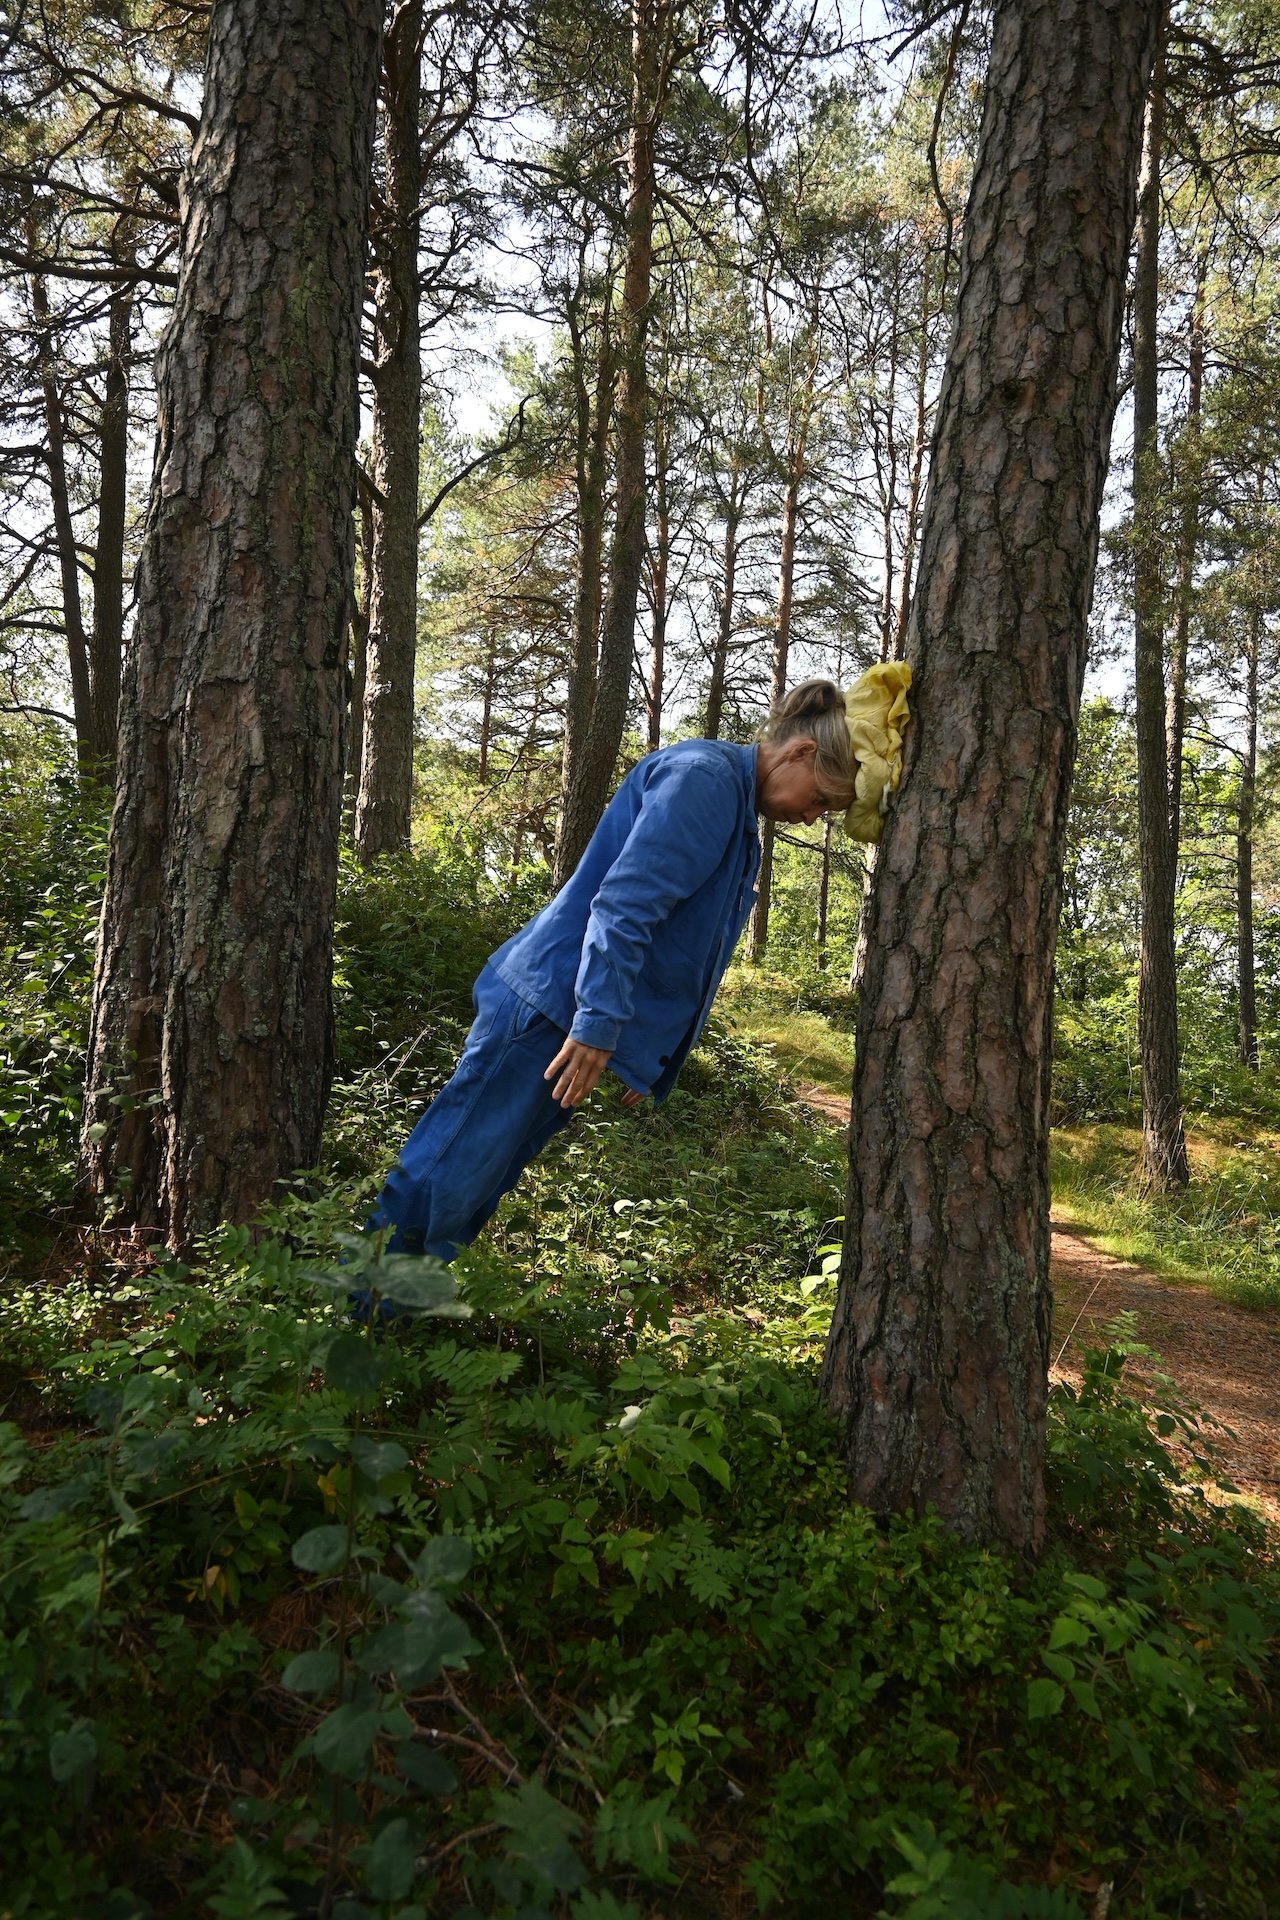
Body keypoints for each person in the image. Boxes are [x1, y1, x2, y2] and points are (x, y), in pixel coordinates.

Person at [365, 665, 911, 1262]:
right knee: (450, 1171)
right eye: (822, 800)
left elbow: (689, 947)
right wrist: (598, 1026)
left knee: (476, 1186)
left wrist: (647, 1052)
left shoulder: (738, 816)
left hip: (566, 1015)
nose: (813, 817)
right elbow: (624, 908)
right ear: (800, 752)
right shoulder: (704, 781)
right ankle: (359, 1320)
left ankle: (396, 1321)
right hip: (551, 1008)